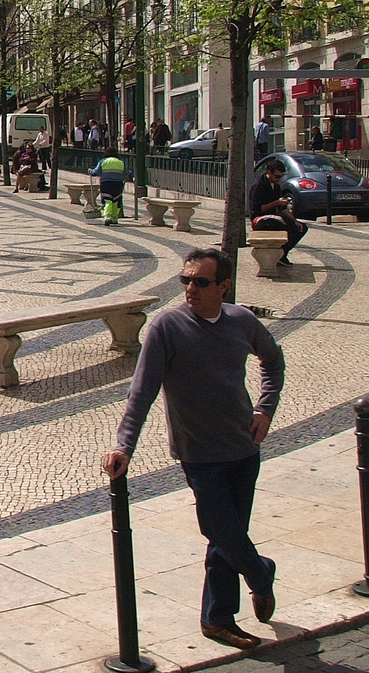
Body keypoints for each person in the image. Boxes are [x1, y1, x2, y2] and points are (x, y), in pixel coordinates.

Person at [104, 247, 285, 651]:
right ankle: (260, 573)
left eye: (201, 282)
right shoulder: (167, 327)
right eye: (186, 280)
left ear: (223, 286)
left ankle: (217, 620)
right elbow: (142, 391)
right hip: (199, 455)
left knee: (228, 536)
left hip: (243, 449)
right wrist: (124, 445)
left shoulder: (241, 321)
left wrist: (265, 409)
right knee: (218, 528)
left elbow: (273, 362)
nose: (190, 289)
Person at [249, 159, 307, 265]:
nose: (279, 179)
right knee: (287, 227)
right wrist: (275, 203)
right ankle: (279, 255)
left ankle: (282, 254)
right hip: (260, 219)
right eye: (277, 176)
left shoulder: (276, 186)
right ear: (269, 172)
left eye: (281, 176)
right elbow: (256, 210)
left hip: (274, 217)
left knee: (300, 228)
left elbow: (282, 209)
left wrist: (294, 220)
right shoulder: (258, 186)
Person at [89, 151, 126, 225]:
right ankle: (114, 218)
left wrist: (90, 171)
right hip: (118, 184)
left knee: (107, 200)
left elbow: (96, 172)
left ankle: (107, 217)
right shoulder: (121, 162)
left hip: (106, 183)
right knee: (116, 201)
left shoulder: (103, 161)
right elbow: (127, 172)